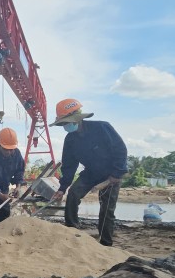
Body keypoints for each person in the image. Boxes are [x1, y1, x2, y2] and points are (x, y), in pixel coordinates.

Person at [50, 98, 127, 246]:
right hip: (90, 173)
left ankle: (105, 243)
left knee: (107, 209)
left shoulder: (102, 128)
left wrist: (117, 174)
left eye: (67, 122)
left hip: (111, 174)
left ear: (77, 118)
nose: (66, 126)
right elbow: (69, 165)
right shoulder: (70, 140)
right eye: (63, 123)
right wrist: (62, 188)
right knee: (73, 194)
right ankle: (72, 231)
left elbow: (120, 150)